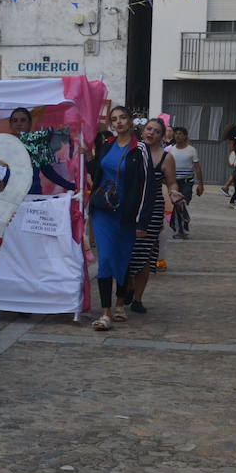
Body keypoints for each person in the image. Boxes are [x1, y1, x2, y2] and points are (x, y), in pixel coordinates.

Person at [87, 105, 153, 331]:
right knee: (105, 258)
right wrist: (85, 156)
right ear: (111, 124)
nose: (119, 122)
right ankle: (105, 313)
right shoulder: (107, 145)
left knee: (122, 258)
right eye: (114, 119)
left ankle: (120, 303)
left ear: (130, 120)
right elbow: (97, 170)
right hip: (103, 211)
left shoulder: (140, 149)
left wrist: (142, 221)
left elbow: (147, 186)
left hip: (126, 213)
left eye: (123, 117)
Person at [125, 119, 180, 313]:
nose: (151, 133)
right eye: (148, 129)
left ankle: (138, 299)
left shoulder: (166, 157)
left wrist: (174, 192)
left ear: (162, 136)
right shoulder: (132, 151)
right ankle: (129, 285)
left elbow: (171, 182)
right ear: (142, 131)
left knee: (145, 253)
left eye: (156, 131)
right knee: (127, 251)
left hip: (152, 209)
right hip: (130, 207)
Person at [8, 107, 78, 195]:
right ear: (10, 124)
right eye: (15, 121)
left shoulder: (37, 145)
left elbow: (48, 172)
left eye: (23, 120)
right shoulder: (2, 145)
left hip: (33, 196)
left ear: (30, 124)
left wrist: (72, 186)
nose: (18, 124)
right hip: (9, 197)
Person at [166, 126, 203, 238]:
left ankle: (180, 223)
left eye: (180, 134)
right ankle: (181, 228)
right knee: (178, 204)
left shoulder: (191, 150)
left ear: (185, 136)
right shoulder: (169, 150)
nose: (177, 136)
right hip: (174, 182)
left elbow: (197, 168)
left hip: (187, 182)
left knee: (182, 203)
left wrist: (200, 184)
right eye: (176, 133)